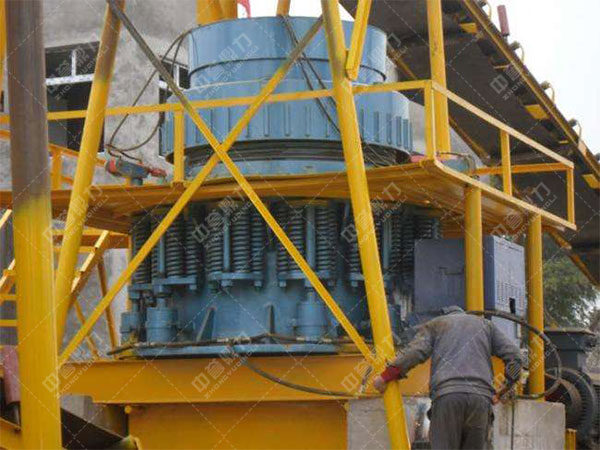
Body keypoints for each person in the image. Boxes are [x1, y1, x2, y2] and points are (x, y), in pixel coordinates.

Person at [373, 306, 522, 450]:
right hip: (480, 400)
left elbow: (415, 352)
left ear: (445, 314)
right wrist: (505, 388)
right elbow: (515, 356)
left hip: (448, 397)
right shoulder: (486, 325)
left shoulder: (436, 324)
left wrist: (386, 376)